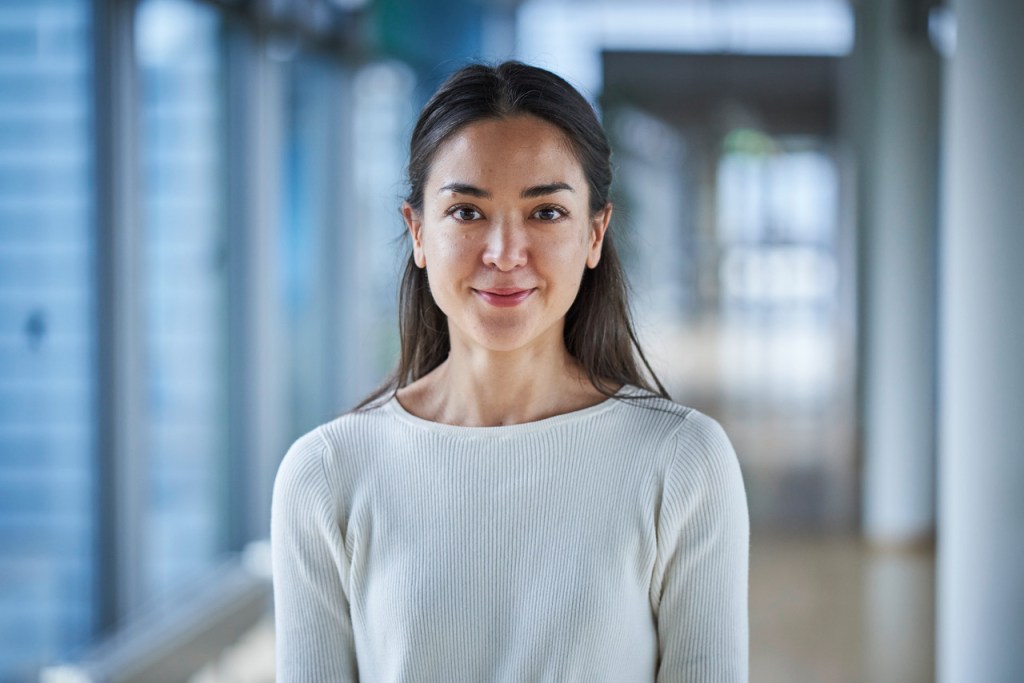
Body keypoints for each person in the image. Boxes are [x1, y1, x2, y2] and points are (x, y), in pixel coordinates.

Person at [271, 61, 749, 682]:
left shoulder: (683, 462)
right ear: (417, 233)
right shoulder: (326, 475)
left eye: (546, 212)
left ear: (595, 234)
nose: (503, 253)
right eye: (466, 212)